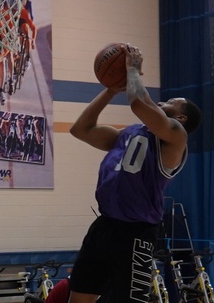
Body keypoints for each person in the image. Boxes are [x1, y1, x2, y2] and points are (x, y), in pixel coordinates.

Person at [68, 44, 202, 303]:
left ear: (181, 119)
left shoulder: (175, 137)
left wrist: (133, 71)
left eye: (171, 103)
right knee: (79, 298)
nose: (163, 101)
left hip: (136, 232)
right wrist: (110, 89)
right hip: (104, 225)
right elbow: (81, 130)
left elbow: (140, 104)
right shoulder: (128, 133)